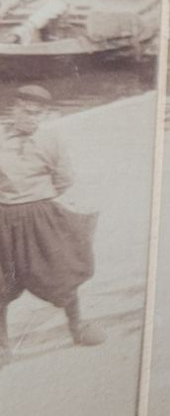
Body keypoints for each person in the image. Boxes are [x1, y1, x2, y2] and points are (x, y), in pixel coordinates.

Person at [0, 85, 104, 368]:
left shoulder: (51, 140)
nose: (30, 118)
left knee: (62, 270)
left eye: (37, 114)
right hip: (4, 217)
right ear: (15, 108)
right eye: (25, 111)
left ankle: (78, 327)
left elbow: (64, 179)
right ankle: (2, 347)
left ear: (44, 115)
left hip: (41, 213)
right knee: (1, 283)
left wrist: (37, 199)